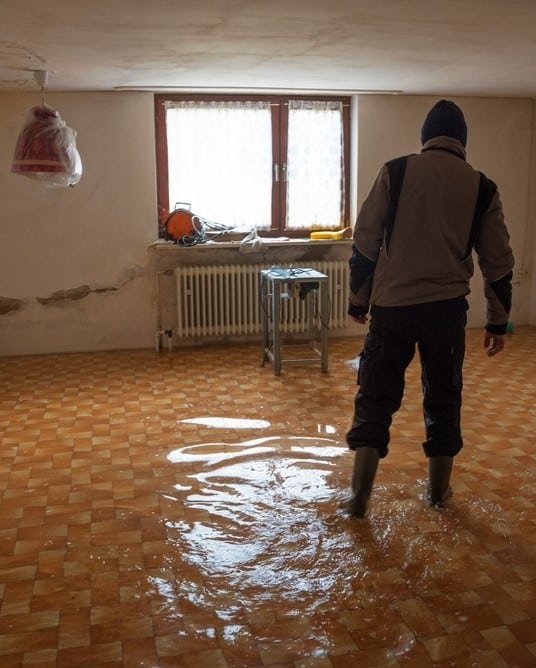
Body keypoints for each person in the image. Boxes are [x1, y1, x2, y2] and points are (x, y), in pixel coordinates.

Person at [344, 99, 515, 518]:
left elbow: (366, 239)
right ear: (463, 142)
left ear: (425, 137)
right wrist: (498, 321)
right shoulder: (481, 186)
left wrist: (358, 299)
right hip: (445, 312)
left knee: (375, 399)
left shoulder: (396, 171)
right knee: (443, 398)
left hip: (392, 308)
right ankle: (439, 496)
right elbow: (498, 261)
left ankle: (358, 500)